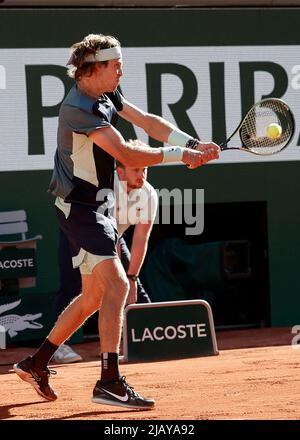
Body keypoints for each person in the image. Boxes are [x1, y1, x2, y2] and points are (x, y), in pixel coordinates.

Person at [13, 33, 219, 410]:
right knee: (119, 285)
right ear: (92, 70)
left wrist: (193, 143)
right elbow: (125, 152)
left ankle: (36, 363)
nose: (121, 70)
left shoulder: (105, 96)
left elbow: (145, 121)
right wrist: (180, 156)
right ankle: (109, 381)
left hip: (95, 207)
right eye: (115, 65)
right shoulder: (80, 108)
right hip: (79, 207)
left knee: (94, 296)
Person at [52, 148, 157, 363]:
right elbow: (104, 235)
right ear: (120, 172)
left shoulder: (149, 194)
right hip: (79, 232)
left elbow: (141, 238)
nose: (142, 175)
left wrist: (133, 277)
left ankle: (148, 341)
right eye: (136, 169)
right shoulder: (107, 187)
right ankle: (57, 347)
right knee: (73, 287)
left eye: (145, 169)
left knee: (134, 289)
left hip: (113, 238)